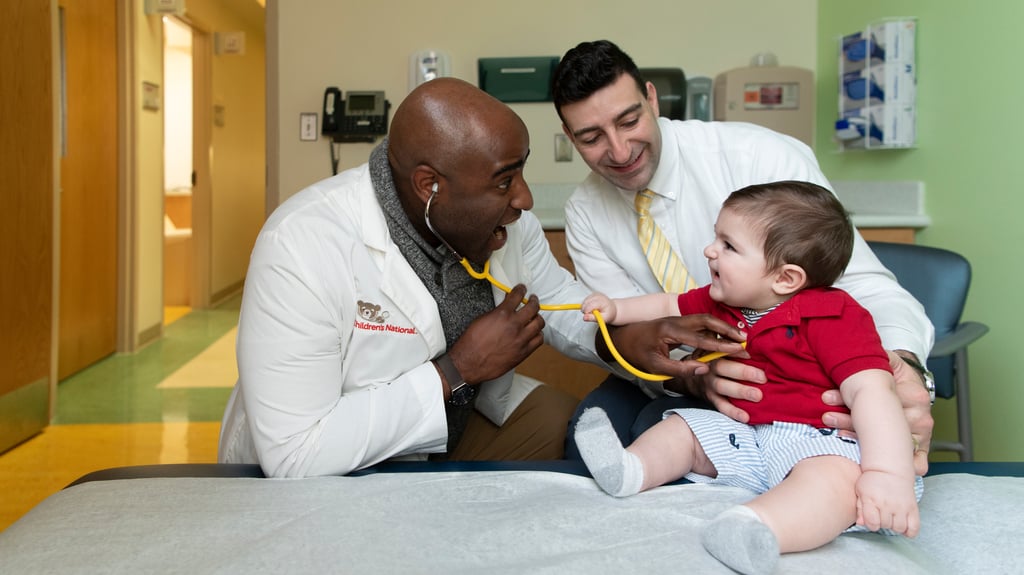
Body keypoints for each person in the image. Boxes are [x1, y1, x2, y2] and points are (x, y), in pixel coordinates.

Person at [217, 77, 745, 477]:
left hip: (460, 429)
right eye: (503, 181)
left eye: (521, 170)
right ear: (430, 186)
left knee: (585, 431)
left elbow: (559, 301)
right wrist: (458, 368)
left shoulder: (506, 225)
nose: (525, 199)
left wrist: (629, 341)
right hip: (332, 468)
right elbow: (296, 453)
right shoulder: (303, 246)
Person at [551, 40, 936, 472]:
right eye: (591, 137)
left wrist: (900, 370)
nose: (620, 151)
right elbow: (634, 332)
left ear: (652, 98)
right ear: (570, 137)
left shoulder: (758, 157)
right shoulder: (585, 212)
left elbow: (863, 286)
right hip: (679, 379)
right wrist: (699, 379)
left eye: (629, 120)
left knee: (656, 434)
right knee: (590, 436)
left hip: (797, 371)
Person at [576, 181, 921, 575]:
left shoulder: (835, 317)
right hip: (747, 436)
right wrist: (616, 308)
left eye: (728, 245)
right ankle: (630, 469)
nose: (710, 250)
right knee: (685, 429)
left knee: (835, 484)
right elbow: (667, 304)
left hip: (818, 444)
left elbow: (873, 392)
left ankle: (756, 528)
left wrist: (887, 474)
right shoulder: (726, 299)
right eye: (715, 239)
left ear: (786, 279)